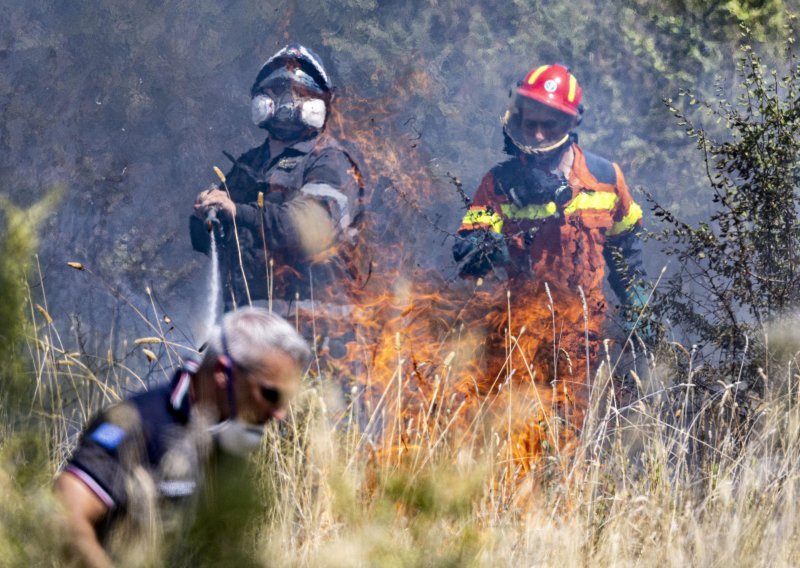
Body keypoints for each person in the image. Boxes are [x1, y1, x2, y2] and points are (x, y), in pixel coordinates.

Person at [452, 64, 646, 428]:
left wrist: (638, 302)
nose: (538, 134)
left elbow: (627, 251)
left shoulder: (606, 180)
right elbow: (465, 250)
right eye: (531, 124)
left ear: (571, 124)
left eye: (549, 125)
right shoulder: (500, 182)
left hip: (584, 344)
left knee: (573, 438)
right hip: (517, 340)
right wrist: (482, 248)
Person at [54, 307, 311, 568]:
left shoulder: (226, 438)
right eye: (270, 394)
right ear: (223, 373)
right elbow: (64, 515)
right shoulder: (140, 423)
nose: (280, 413)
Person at [190, 43, 365, 316]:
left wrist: (237, 212)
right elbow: (208, 241)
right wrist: (206, 216)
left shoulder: (330, 162)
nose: (287, 101)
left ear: (319, 102)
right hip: (249, 327)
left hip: (316, 332)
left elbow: (311, 227)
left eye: (300, 93)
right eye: (276, 91)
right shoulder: (249, 164)